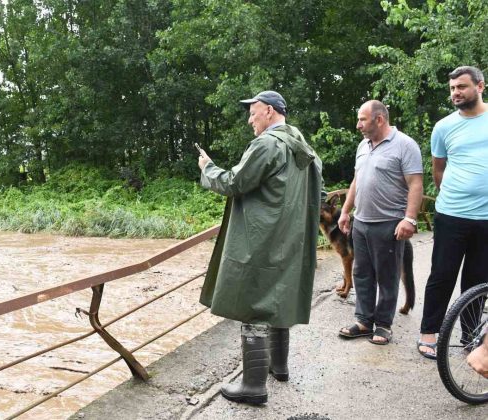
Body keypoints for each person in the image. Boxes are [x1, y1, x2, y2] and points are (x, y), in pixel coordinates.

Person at [197, 90, 322, 405]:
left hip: (263, 240)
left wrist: (207, 168)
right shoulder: (305, 149)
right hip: (291, 241)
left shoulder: (267, 145)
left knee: (254, 305)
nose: (250, 120)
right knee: (277, 299)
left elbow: (234, 184)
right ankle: (278, 367)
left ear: (268, 111)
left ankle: (253, 386)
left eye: (252, 113)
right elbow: (316, 197)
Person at [337, 100, 423, 345]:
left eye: (362, 119)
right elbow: (357, 180)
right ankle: (364, 320)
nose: (358, 125)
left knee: (387, 276)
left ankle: (383, 325)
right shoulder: (363, 145)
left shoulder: (405, 145)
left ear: (379, 119)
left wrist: (410, 218)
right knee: (362, 273)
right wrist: (345, 211)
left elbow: (415, 183)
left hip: (389, 223)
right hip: (361, 222)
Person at [418, 66, 488, 359]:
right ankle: (428, 334)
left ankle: (470, 337)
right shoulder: (444, 127)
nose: (455, 93)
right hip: (452, 215)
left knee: (477, 279)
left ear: (480, 86)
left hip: (486, 219)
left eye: (461, 87)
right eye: (452, 89)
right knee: (442, 274)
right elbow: (438, 170)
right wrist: (454, 196)